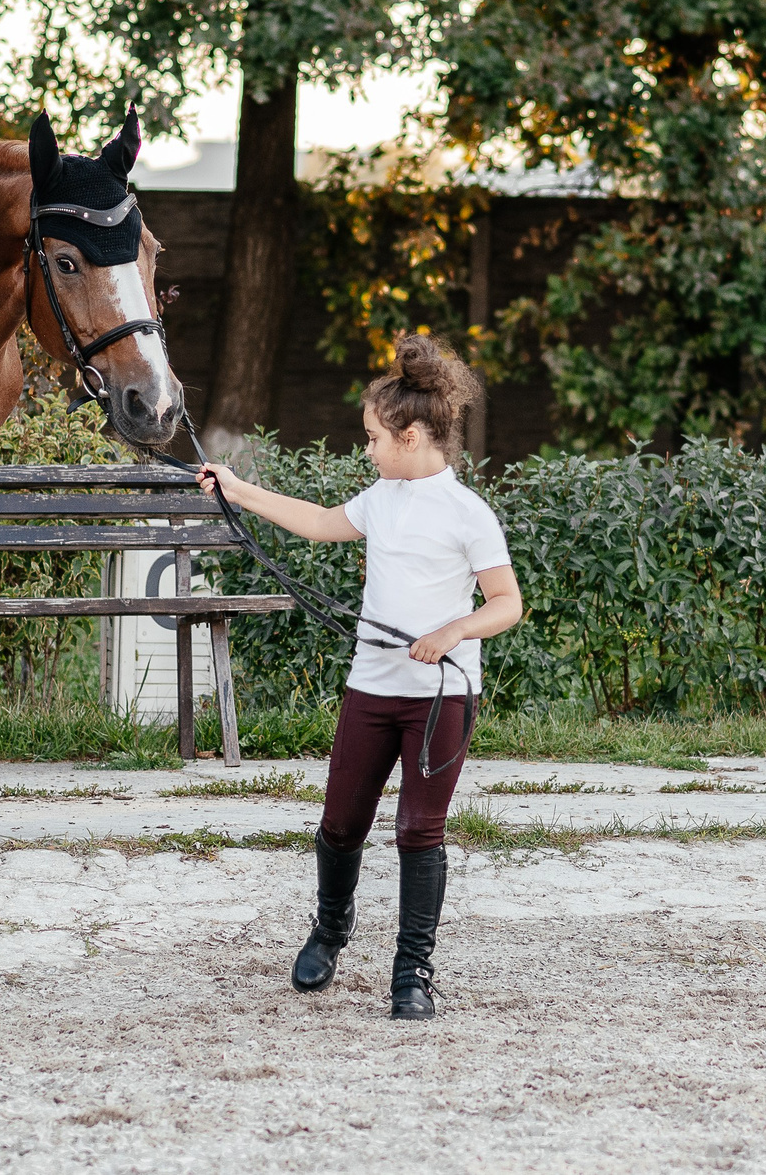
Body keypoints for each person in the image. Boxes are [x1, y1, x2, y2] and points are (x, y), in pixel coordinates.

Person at [197, 333, 523, 1020]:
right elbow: (317, 522)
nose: (367, 448)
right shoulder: (381, 497)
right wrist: (238, 488)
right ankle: (330, 929)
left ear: (409, 435)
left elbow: (506, 603)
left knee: (418, 830)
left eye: (373, 437)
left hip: (441, 698)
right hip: (372, 689)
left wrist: (451, 631)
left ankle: (413, 972)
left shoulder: (469, 513)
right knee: (342, 822)